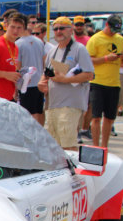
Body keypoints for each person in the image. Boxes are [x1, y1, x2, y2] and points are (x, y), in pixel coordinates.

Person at [37, 17, 95, 150]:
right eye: (56, 28)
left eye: (62, 28)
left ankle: (71, 170)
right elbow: (46, 74)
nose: (58, 31)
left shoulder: (79, 49)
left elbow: (89, 74)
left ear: (71, 30)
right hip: (52, 104)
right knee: (53, 146)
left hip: (70, 104)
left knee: (67, 144)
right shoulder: (53, 50)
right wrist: (42, 83)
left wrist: (66, 80)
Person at [86, 14, 123, 148]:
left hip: (114, 83)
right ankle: (95, 145)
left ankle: (104, 146)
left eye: (116, 30)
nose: (113, 33)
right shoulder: (95, 39)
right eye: (112, 29)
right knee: (96, 117)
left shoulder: (120, 40)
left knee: (110, 118)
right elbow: (89, 60)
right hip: (98, 82)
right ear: (106, 25)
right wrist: (105, 59)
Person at [16, 16, 46, 124]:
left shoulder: (18, 44)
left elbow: (17, 67)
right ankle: (41, 136)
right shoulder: (39, 41)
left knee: (29, 114)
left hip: (26, 84)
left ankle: (34, 138)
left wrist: (16, 87)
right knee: (38, 111)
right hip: (38, 82)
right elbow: (44, 62)